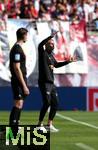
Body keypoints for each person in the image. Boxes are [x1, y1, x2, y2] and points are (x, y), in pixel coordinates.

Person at [38, 31, 76, 132]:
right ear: (46, 45)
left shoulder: (51, 56)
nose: (52, 44)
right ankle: (39, 125)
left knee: (55, 103)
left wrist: (68, 61)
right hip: (44, 82)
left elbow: (56, 65)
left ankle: (49, 124)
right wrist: (50, 36)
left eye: (53, 43)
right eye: (50, 43)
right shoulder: (43, 53)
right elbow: (40, 44)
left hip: (51, 83)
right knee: (47, 103)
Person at [9, 28, 30, 131]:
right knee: (18, 103)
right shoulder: (17, 49)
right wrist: (24, 85)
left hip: (20, 80)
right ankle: (12, 129)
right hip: (18, 81)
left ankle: (15, 126)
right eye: (27, 35)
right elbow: (16, 68)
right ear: (24, 36)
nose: (27, 37)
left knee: (20, 103)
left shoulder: (18, 48)